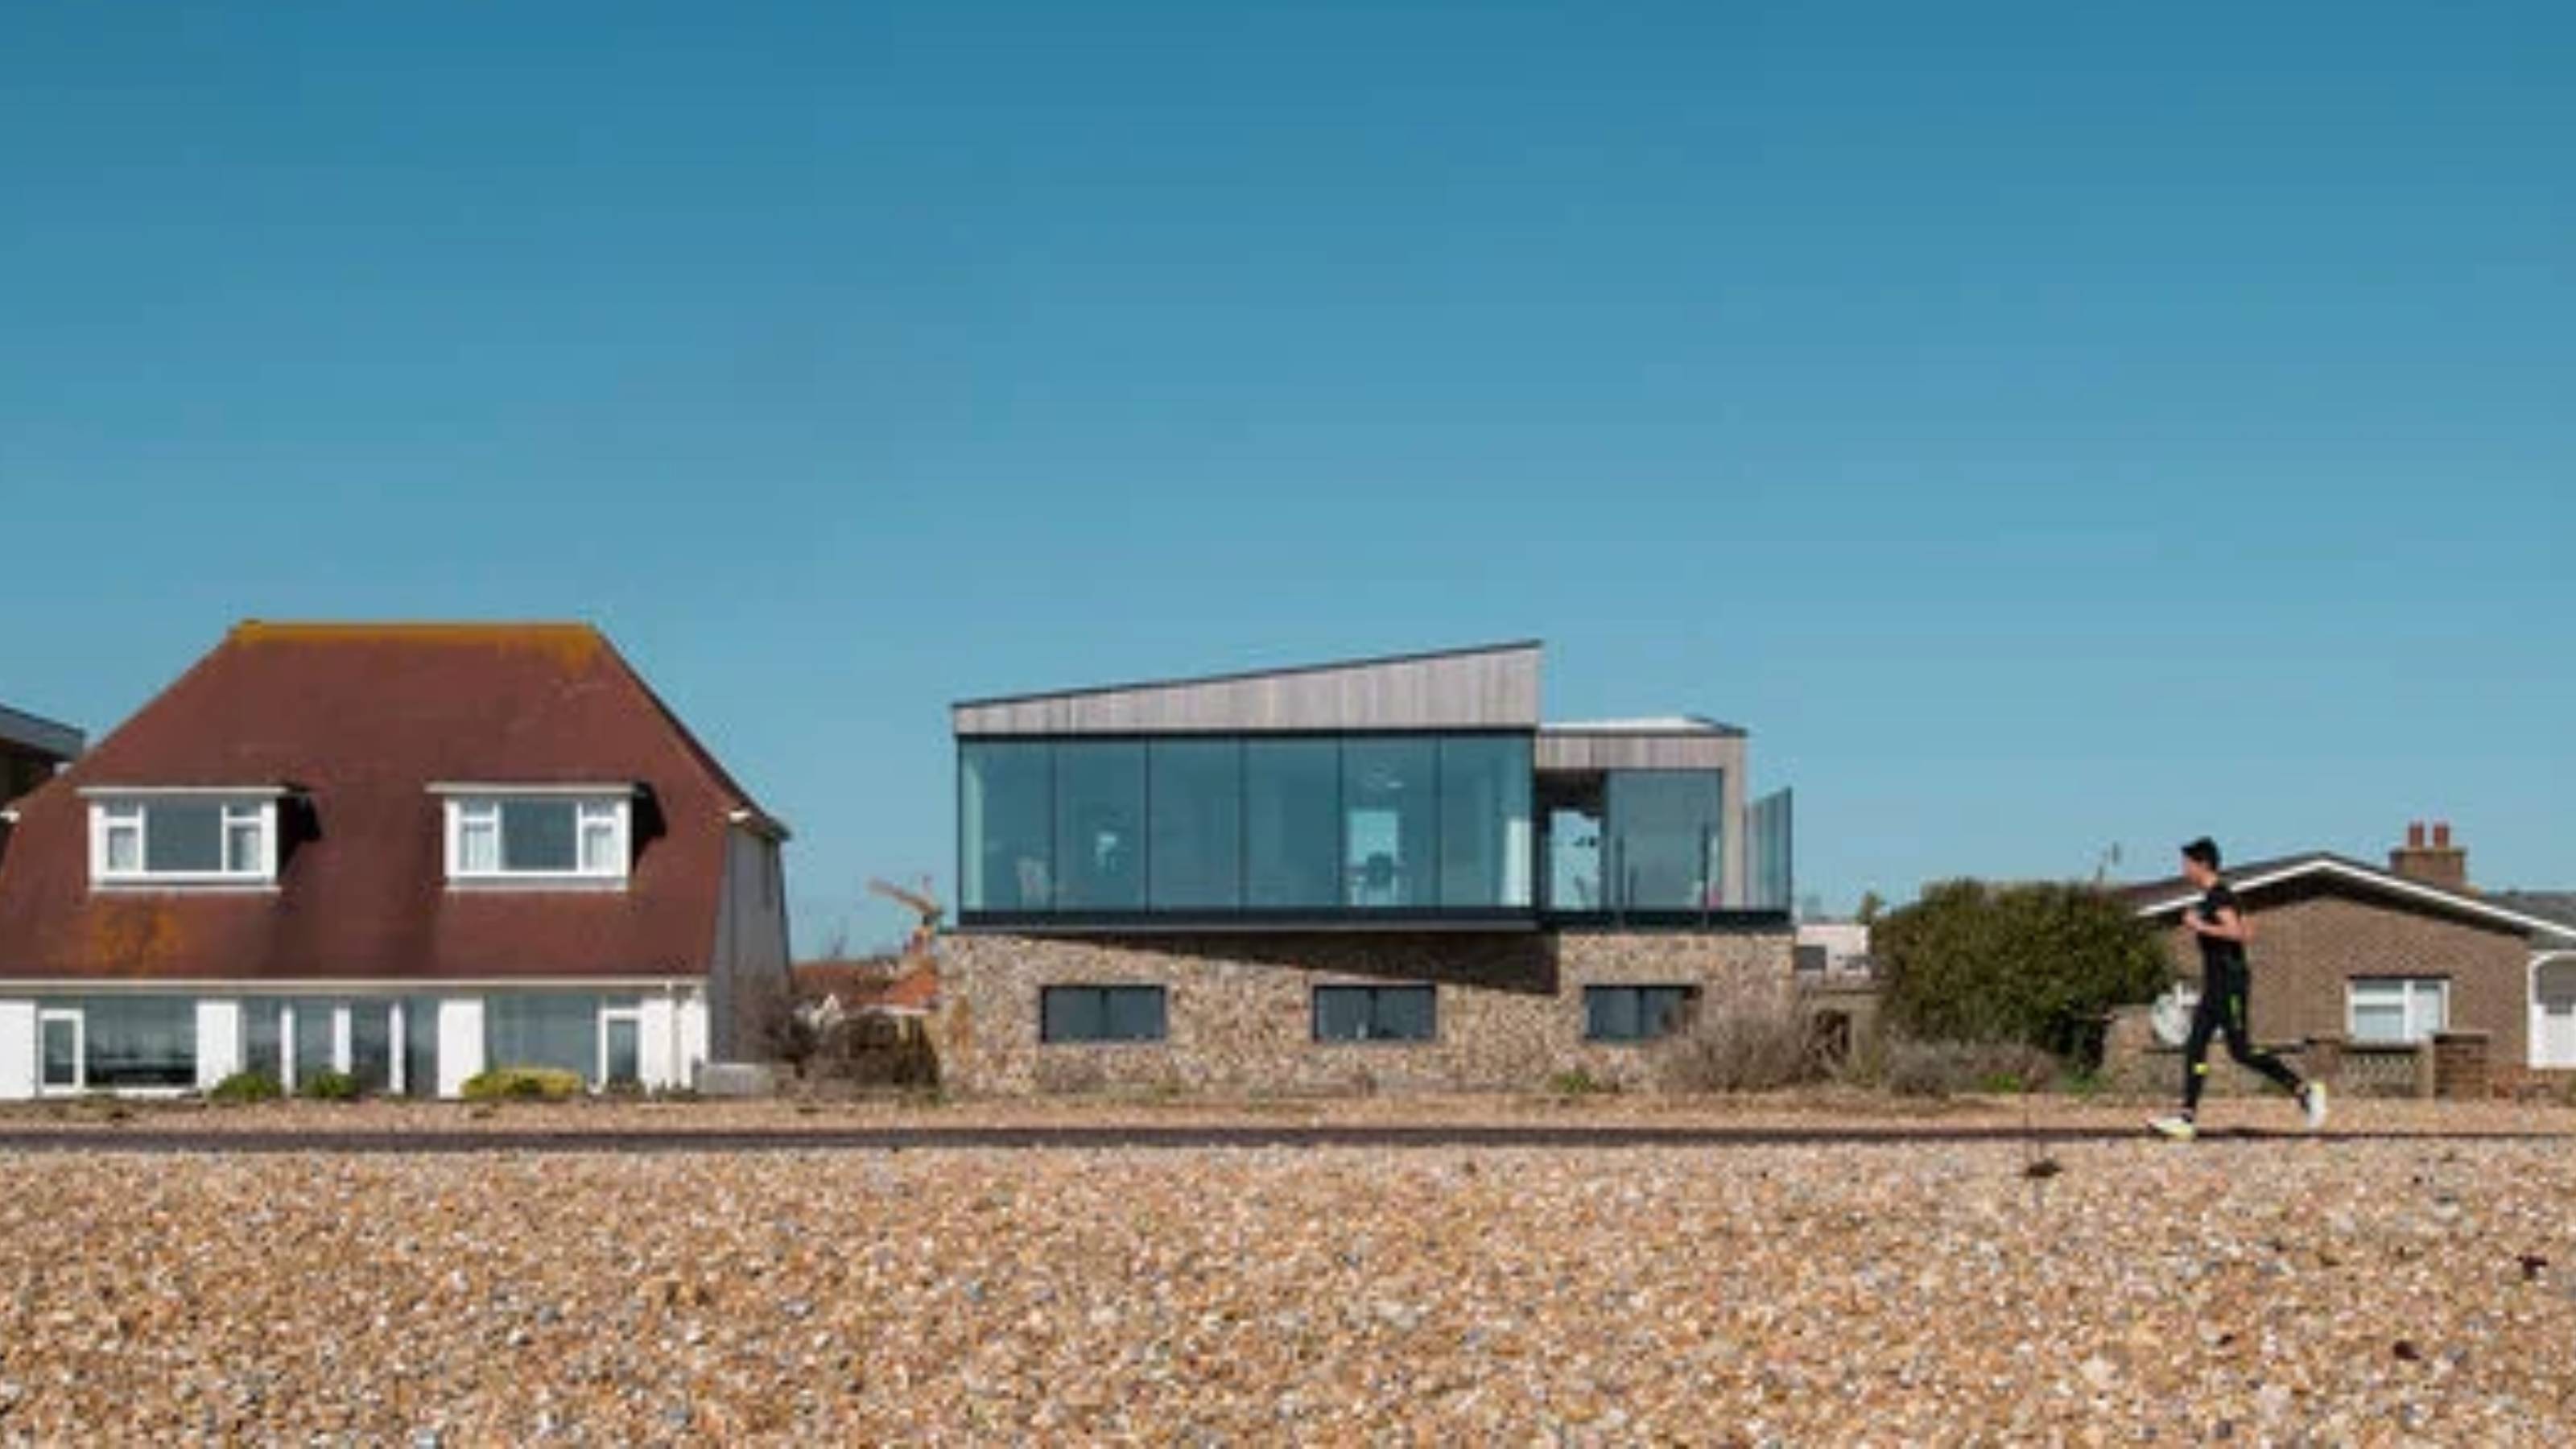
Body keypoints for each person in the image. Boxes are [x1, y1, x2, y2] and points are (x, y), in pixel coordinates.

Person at [2149, 838, 2328, 1141]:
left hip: (2229, 984)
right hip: (2215, 984)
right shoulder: (2220, 896)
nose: (2184, 870)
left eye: (2187, 864)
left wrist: (2200, 927)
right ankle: (2186, 1118)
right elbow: (2250, 929)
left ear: (2203, 864)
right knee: (2196, 1045)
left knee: (2241, 1051)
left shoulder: (2219, 896)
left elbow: (2237, 933)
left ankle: (2304, 1090)